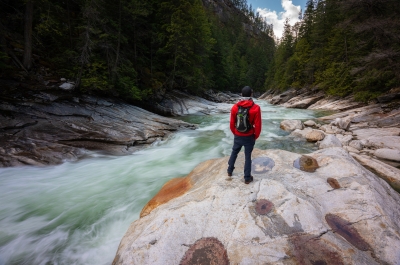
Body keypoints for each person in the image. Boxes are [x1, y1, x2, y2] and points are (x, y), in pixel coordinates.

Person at [227, 86, 262, 184]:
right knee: (247, 157)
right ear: (251, 94)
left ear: (241, 94)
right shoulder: (256, 108)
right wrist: (255, 136)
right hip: (249, 136)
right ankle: (247, 178)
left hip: (238, 135)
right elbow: (258, 125)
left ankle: (229, 171)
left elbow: (231, 124)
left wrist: (236, 133)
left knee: (234, 152)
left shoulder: (235, 107)